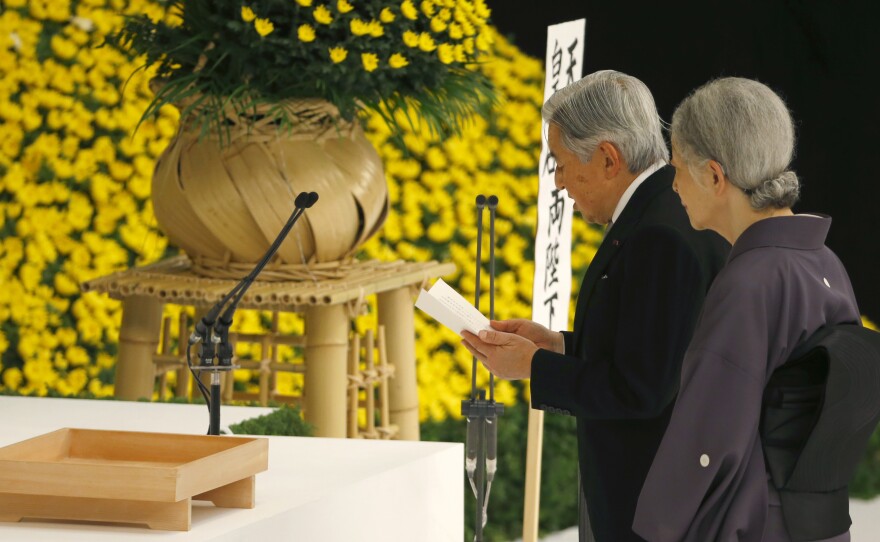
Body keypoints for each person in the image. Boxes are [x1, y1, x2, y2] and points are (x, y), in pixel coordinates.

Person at [461, 70, 730, 541]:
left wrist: (536, 366)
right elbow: (649, 347)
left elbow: (644, 389)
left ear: (608, 158)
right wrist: (559, 345)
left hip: (652, 500)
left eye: (562, 164)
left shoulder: (659, 234)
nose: (561, 183)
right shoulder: (663, 207)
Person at [631, 78, 860, 541]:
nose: (673, 186)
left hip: (755, 525)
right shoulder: (825, 263)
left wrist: (657, 527)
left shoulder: (750, 282)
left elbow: (707, 437)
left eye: (677, 168)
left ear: (715, 176)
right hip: (818, 522)